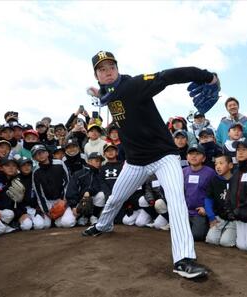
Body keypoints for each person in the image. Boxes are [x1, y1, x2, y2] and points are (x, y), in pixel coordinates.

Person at [82, 50, 219, 279]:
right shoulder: (110, 92)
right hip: (135, 162)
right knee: (115, 197)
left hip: (164, 156)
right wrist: (100, 93)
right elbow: (108, 96)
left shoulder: (133, 85)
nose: (108, 72)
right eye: (102, 69)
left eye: (111, 67)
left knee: (176, 199)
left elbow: (167, 76)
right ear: (96, 74)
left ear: (117, 68)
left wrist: (207, 76)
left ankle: (184, 259)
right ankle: (103, 225)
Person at [183, 144, 216, 241]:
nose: (193, 156)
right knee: (180, 235)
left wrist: (207, 209)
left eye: (197, 154)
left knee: (196, 236)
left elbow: (215, 194)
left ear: (204, 158)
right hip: (185, 212)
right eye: (191, 154)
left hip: (200, 213)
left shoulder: (210, 173)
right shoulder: (183, 172)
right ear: (187, 157)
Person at [204, 154, 235, 247]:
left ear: (230, 165)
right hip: (219, 217)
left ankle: (229, 232)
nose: (218, 166)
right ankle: (223, 232)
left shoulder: (236, 179)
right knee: (211, 240)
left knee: (226, 242)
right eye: (216, 164)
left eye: (221, 163)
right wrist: (211, 217)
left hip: (234, 219)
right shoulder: (214, 180)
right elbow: (208, 199)